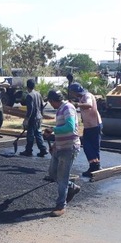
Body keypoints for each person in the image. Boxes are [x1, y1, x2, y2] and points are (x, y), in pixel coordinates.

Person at [43, 89, 81, 218]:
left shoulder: (68, 108)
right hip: (60, 147)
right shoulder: (60, 109)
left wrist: (52, 130)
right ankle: (72, 187)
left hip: (69, 148)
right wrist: (54, 144)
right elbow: (62, 128)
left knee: (62, 177)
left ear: (53, 101)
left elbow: (70, 128)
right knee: (53, 173)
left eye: (50, 102)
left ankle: (61, 205)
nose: (51, 104)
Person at [68, 83, 103, 177]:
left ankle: (94, 166)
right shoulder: (81, 97)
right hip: (89, 125)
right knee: (92, 146)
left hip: (94, 124)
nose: (72, 94)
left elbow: (89, 105)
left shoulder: (87, 96)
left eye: (73, 92)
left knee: (89, 146)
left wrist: (77, 104)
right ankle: (95, 166)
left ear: (75, 92)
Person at [19, 79, 48, 157]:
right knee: (38, 134)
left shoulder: (29, 96)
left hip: (33, 119)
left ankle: (28, 150)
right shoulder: (38, 94)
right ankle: (43, 149)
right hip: (39, 118)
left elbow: (30, 109)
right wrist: (41, 115)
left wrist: (26, 119)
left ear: (27, 86)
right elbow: (42, 106)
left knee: (30, 135)